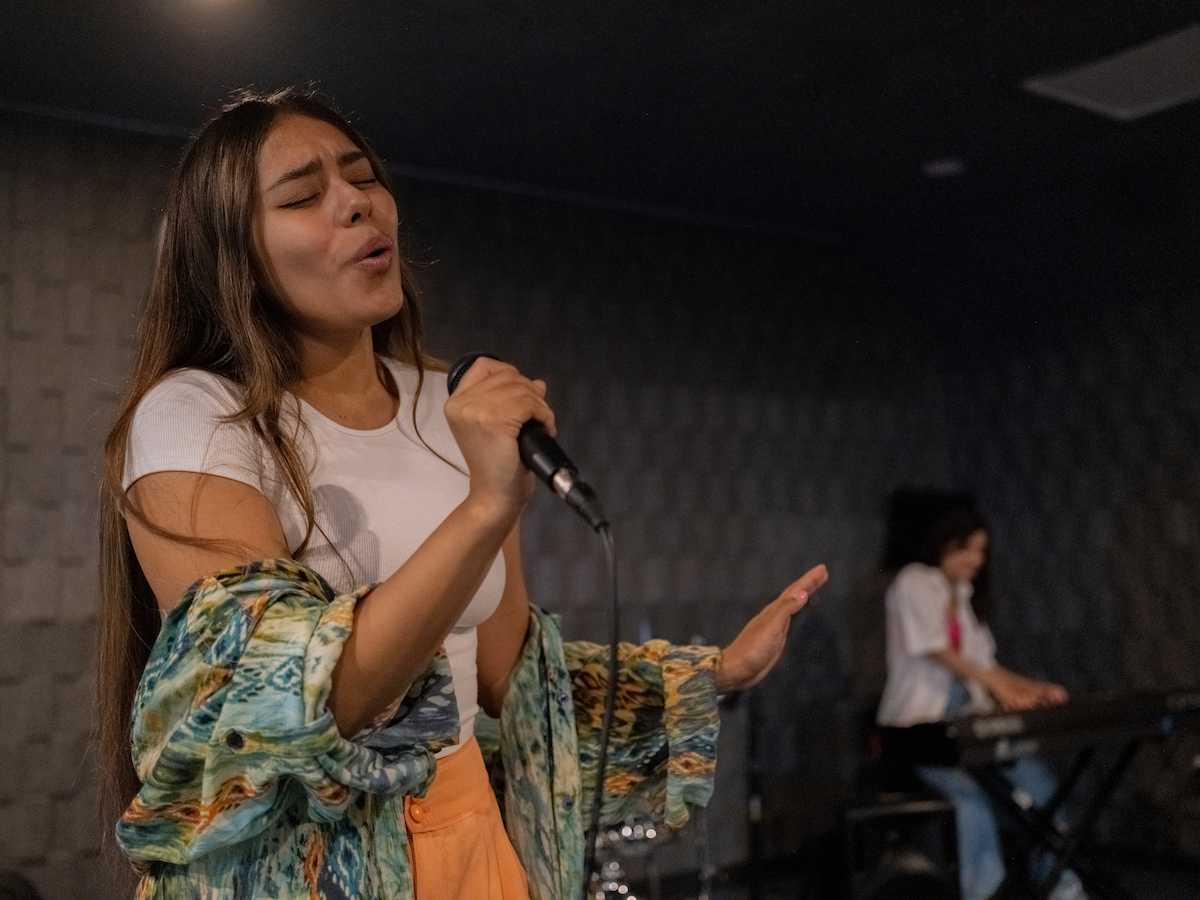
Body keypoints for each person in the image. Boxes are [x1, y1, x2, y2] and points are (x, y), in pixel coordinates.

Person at [94, 87, 829, 900]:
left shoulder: (447, 407)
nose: (356, 205)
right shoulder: (196, 414)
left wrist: (713, 674)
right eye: (304, 196)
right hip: (305, 865)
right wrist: (485, 505)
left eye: (364, 178)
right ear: (232, 256)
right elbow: (289, 700)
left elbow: (509, 686)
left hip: (467, 836)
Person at [876, 498, 1085, 900]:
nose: (977, 559)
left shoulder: (965, 596)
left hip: (971, 724)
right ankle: (984, 894)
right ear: (944, 545)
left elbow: (985, 664)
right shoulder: (914, 581)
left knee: (1040, 785)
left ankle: (1065, 889)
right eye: (968, 548)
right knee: (971, 803)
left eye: (982, 551)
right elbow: (939, 650)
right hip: (919, 729)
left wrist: (1032, 689)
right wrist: (1001, 688)